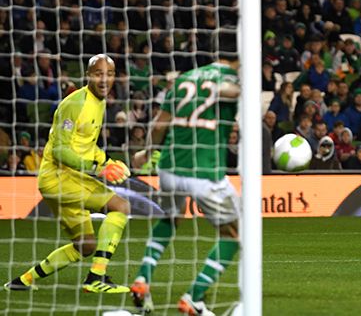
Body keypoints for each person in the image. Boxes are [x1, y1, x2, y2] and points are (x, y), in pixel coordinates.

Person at [129, 33, 241, 315]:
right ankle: (194, 297)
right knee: (232, 235)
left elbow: (159, 124)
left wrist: (145, 152)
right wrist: (226, 90)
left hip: (168, 166)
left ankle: (143, 277)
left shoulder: (184, 78)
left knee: (170, 218)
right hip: (204, 170)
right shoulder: (234, 78)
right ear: (241, 57)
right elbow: (233, 92)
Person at [4, 55, 132, 293]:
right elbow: (61, 151)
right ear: (88, 75)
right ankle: (96, 278)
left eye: (110, 74)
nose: (104, 79)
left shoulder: (100, 102)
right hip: (59, 178)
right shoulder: (74, 103)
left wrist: (107, 160)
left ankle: (22, 282)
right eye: (98, 73)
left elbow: (86, 144)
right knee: (121, 207)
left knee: (85, 246)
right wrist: (98, 169)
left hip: (65, 180)